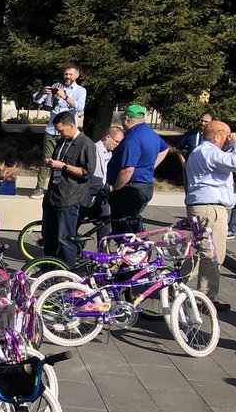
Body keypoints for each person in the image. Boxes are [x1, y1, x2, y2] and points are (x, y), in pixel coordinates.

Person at [184, 118, 236, 311]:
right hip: (211, 209)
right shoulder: (208, 151)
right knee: (214, 255)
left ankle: (175, 282)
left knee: (202, 252)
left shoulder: (202, 152)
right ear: (217, 136)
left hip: (202, 206)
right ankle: (206, 299)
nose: (229, 140)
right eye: (227, 136)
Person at [41, 111, 96, 267]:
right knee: (49, 235)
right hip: (53, 194)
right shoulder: (62, 141)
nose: (60, 133)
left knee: (65, 238)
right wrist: (52, 163)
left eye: (61, 130)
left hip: (69, 197)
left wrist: (64, 166)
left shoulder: (86, 144)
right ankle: (49, 267)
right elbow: (58, 162)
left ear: (71, 125)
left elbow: (86, 173)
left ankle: (68, 273)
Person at [107, 104, 170, 234]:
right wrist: (150, 166)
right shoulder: (151, 133)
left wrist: (117, 187)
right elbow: (165, 148)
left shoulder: (132, 138)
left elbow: (127, 170)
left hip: (131, 188)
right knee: (133, 225)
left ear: (126, 119)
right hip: (145, 186)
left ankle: (132, 252)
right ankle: (137, 250)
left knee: (124, 230)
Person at [32, 65, 87, 198]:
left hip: (68, 131)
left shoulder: (80, 90)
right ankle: (39, 188)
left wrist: (65, 96)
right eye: (66, 74)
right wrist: (41, 92)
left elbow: (80, 106)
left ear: (76, 76)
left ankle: (58, 188)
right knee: (46, 159)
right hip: (52, 129)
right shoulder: (55, 86)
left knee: (64, 160)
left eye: (70, 74)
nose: (67, 76)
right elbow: (36, 99)